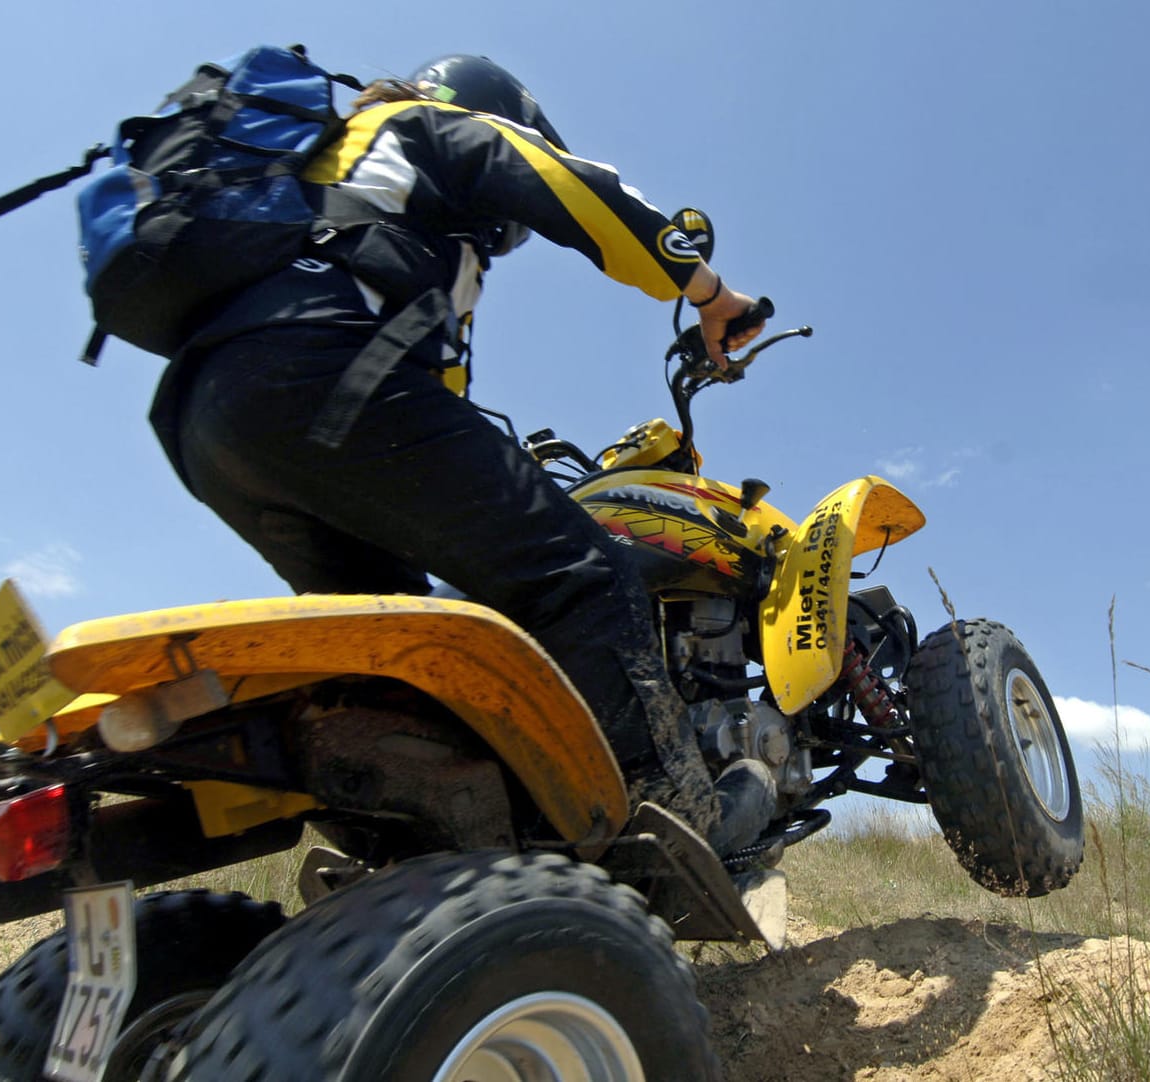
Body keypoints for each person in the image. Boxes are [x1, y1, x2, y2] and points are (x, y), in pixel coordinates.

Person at [146, 54, 776, 855]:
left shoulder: (326, 174)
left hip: (207, 419)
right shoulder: (427, 126)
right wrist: (711, 294)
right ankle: (673, 826)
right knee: (581, 576)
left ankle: (419, 861)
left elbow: (431, 413)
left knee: (402, 651)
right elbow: (578, 192)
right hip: (329, 377)